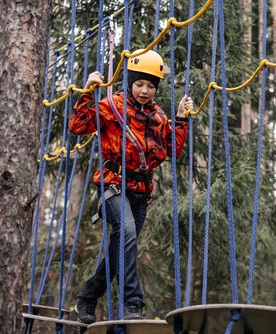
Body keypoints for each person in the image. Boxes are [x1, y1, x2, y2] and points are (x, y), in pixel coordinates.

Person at [69, 49, 193, 324]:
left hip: (141, 192)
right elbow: (77, 125)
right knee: (125, 234)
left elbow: (173, 150)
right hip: (114, 185)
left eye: (150, 86)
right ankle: (133, 303)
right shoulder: (112, 106)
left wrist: (181, 118)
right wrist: (88, 91)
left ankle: (87, 298)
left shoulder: (159, 117)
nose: (145, 91)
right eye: (139, 84)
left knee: (120, 248)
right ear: (130, 82)